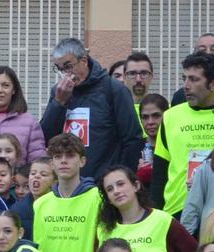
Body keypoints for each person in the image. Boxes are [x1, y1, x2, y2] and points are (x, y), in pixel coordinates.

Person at [152, 51, 214, 216]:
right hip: (178, 209)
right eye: (184, 78)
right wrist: (156, 214)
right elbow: (160, 171)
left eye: (193, 79)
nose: (186, 85)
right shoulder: (171, 116)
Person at [40, 37, 143, 180]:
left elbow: (132, 138)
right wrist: (58, 102)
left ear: (84, 60)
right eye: (59, 68)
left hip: (104, 181)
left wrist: (123, 177)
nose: (65, 74)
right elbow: (46, 137)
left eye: (68, 66)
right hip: (68, 181)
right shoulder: (59, 91)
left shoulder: (113, 89)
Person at [32, 133, 101, 252]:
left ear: (82, 161)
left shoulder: (98, 198)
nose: (64, 161)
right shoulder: (40, 204)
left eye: (70, 156)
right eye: (58, 156)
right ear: (51, 163)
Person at [136, 92, 168, 186]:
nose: (150, 122)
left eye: (156, 116)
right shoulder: (132, 150)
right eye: (145, 117)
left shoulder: (175, 147)